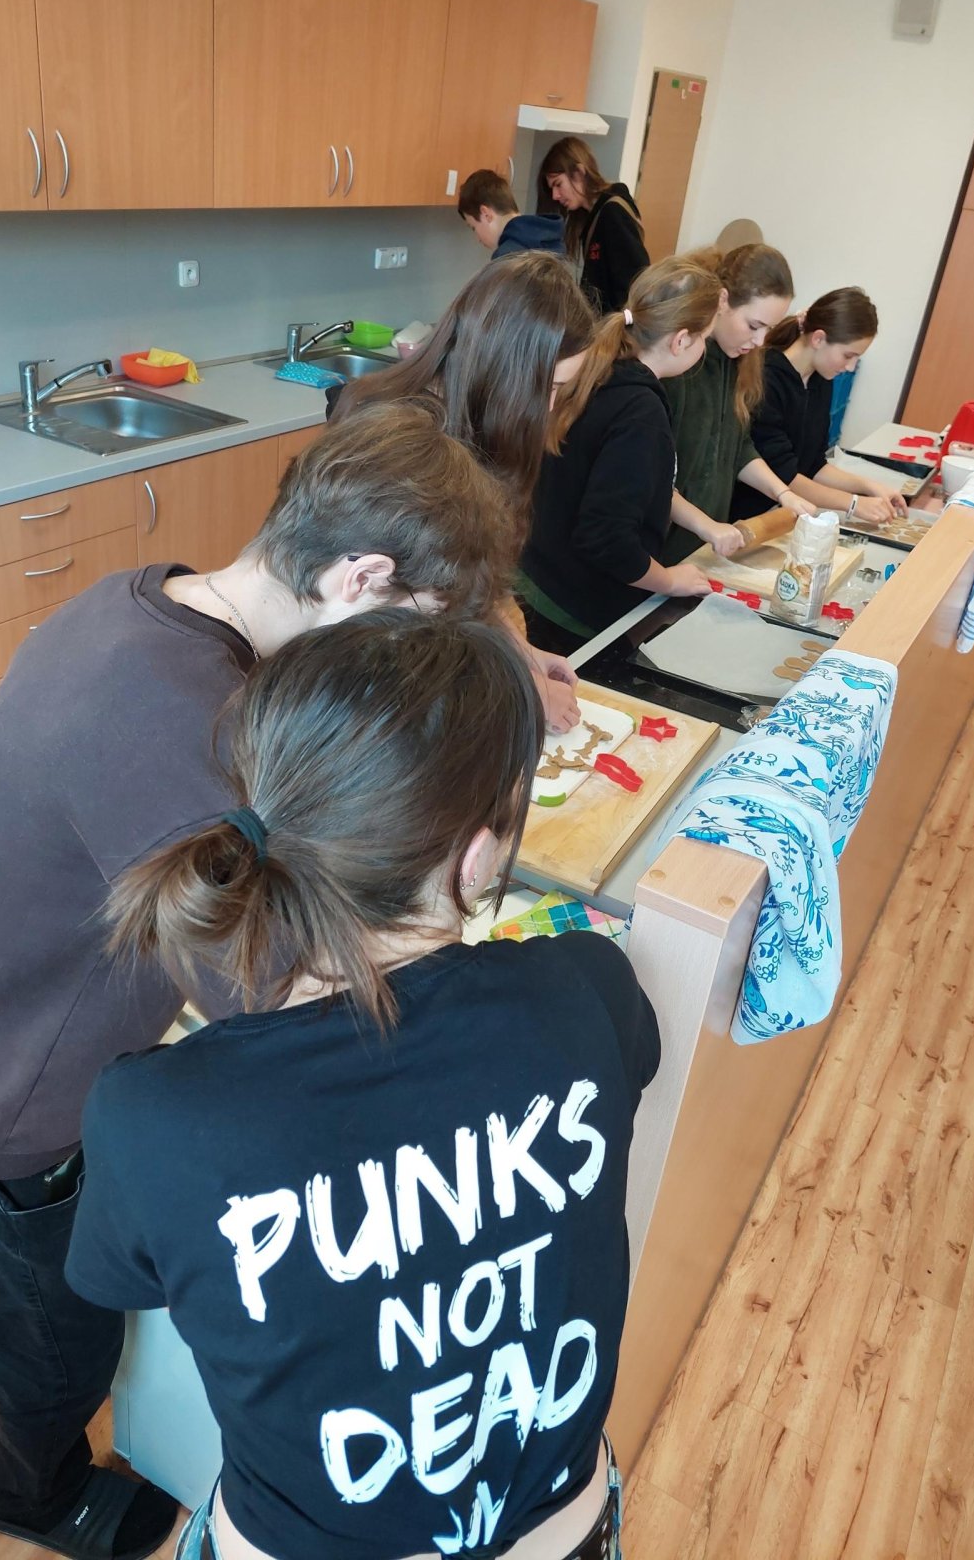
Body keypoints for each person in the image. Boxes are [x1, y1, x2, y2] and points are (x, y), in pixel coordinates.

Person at [0, 403, 516, 1560]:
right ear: (359, 577)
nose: (406, 662)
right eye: (414, 627)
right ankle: (32, 1494)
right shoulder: (175, 722)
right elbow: (269, 995)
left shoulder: (159, 608)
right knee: (58, 1338)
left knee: (66, 1303)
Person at [66, 610, 660, 1560]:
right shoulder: (588, 989)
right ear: (477, 856)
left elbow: (130, 1279)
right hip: (566, 1534)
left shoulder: (155, 1114)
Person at [335, 251, 597, 731]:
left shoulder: (476, 419)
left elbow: (469, 580)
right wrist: (523, 688)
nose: (549, 407)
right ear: (506, 366)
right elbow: (410, 621)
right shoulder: (404, 446)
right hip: (372, 690)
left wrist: (524, 653)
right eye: (549, 386)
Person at [517, 256, 736, 654]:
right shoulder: (640, 413)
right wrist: (669, 580)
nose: (704, 348)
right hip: (572, 609)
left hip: (541, 577)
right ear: (681, 340)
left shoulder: (604, 372)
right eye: (704, 338)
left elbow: (637, 485)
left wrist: (705, 527)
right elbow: (606, 539)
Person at [659, 242, 816, 566]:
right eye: (754, 326)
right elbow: (654, 479)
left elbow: (739, 447)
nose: (760, 341)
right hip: (659, 551)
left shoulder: (734, 362)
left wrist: (783, 493)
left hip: (699, 549)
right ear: (722, 301)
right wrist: (707, 527)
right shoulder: (676, 368)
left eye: (768, 329)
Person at [747, 288, 907, 525]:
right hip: (751, 515)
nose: (850, 367)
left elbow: (814, 465)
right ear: (818, 339)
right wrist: (853, 503)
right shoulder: (767, 379)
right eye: (848, 356)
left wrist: (869, 487)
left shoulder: (820, 379)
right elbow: (785, 475)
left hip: (787, 513)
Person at [539, 137, 649, 316]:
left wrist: (623, 327)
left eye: (558, 184)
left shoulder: (612, 212)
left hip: (615, 327)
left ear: (579, 172)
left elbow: (635, 283)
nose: (555, 195)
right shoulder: (592, 216)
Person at [458, 168, 566, 259]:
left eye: (473, 227)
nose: (478, 239)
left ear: (486, 214)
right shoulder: (553, 242)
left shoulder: (507, 258)